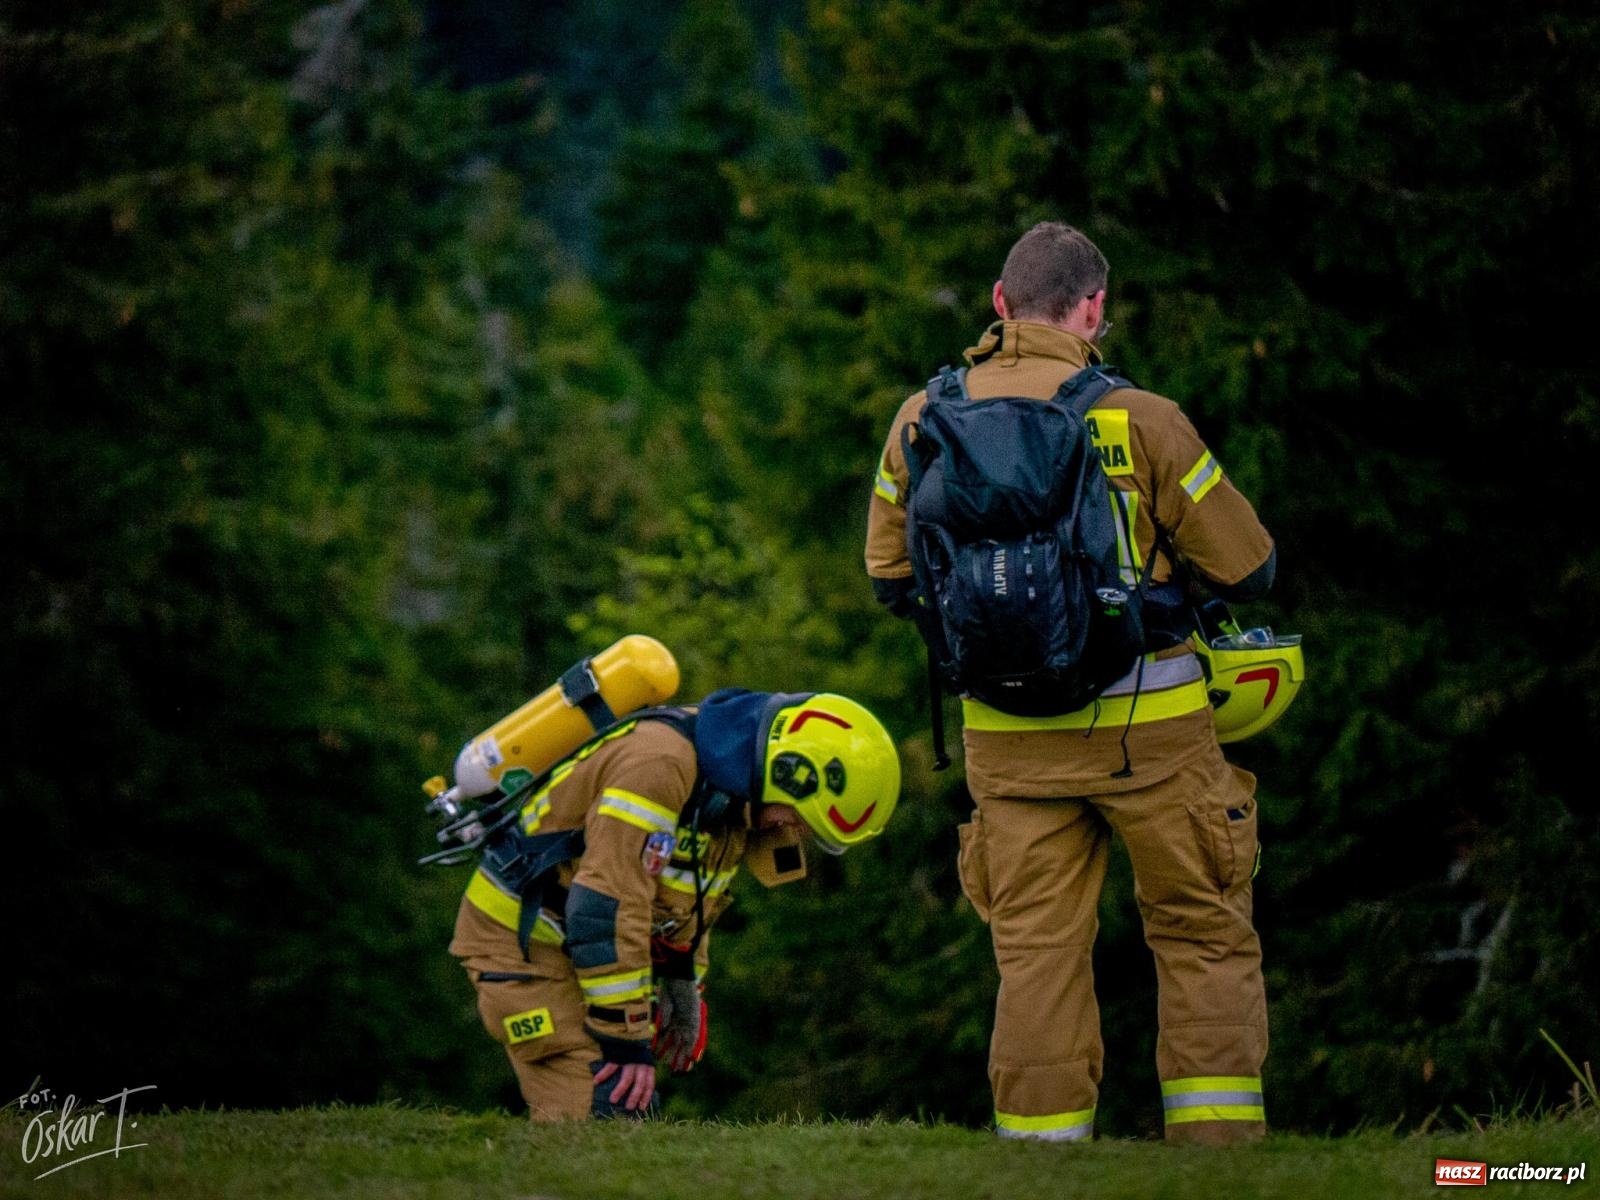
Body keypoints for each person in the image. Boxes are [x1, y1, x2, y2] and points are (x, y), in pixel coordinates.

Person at [865, 222, 1277, 1146]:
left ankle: (1042, 1158)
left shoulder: (920, 420)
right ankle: (1218, 1156)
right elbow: (1249, 565)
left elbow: (890, 581)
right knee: (1200, 933)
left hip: (1005, 741)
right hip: (1153, 733)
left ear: (1000, 306)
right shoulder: (1143, 417)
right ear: (1094, 310)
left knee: (1037, 955)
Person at [448, 688, 901, 1120]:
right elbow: (605, 905)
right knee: (600, 1109)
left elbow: (687, 903)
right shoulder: (660, 765)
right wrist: (623, 1039)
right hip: (521, 943)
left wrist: (683, 982)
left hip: (580, 942)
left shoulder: (730, 797)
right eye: (803, 821)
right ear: (789, 774)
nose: (797, 833)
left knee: (627, 1110)